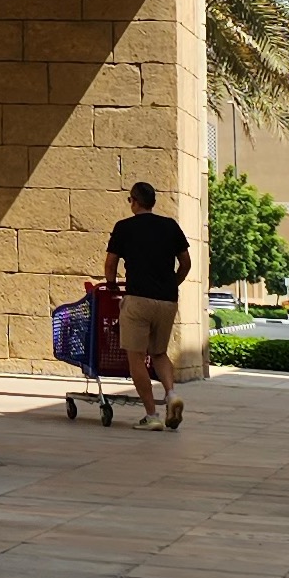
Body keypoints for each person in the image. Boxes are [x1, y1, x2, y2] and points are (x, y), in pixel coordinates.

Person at [104, 178, 192, 428]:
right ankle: (172, 394)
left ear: (134, 201)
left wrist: (112, 286)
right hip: (167, 301)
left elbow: (111, 264)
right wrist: (172, 283)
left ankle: (152, 415)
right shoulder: (170, 226)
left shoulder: (124, 227)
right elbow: (185, 263)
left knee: (137, 358)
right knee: (159, 353)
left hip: (138, 300)